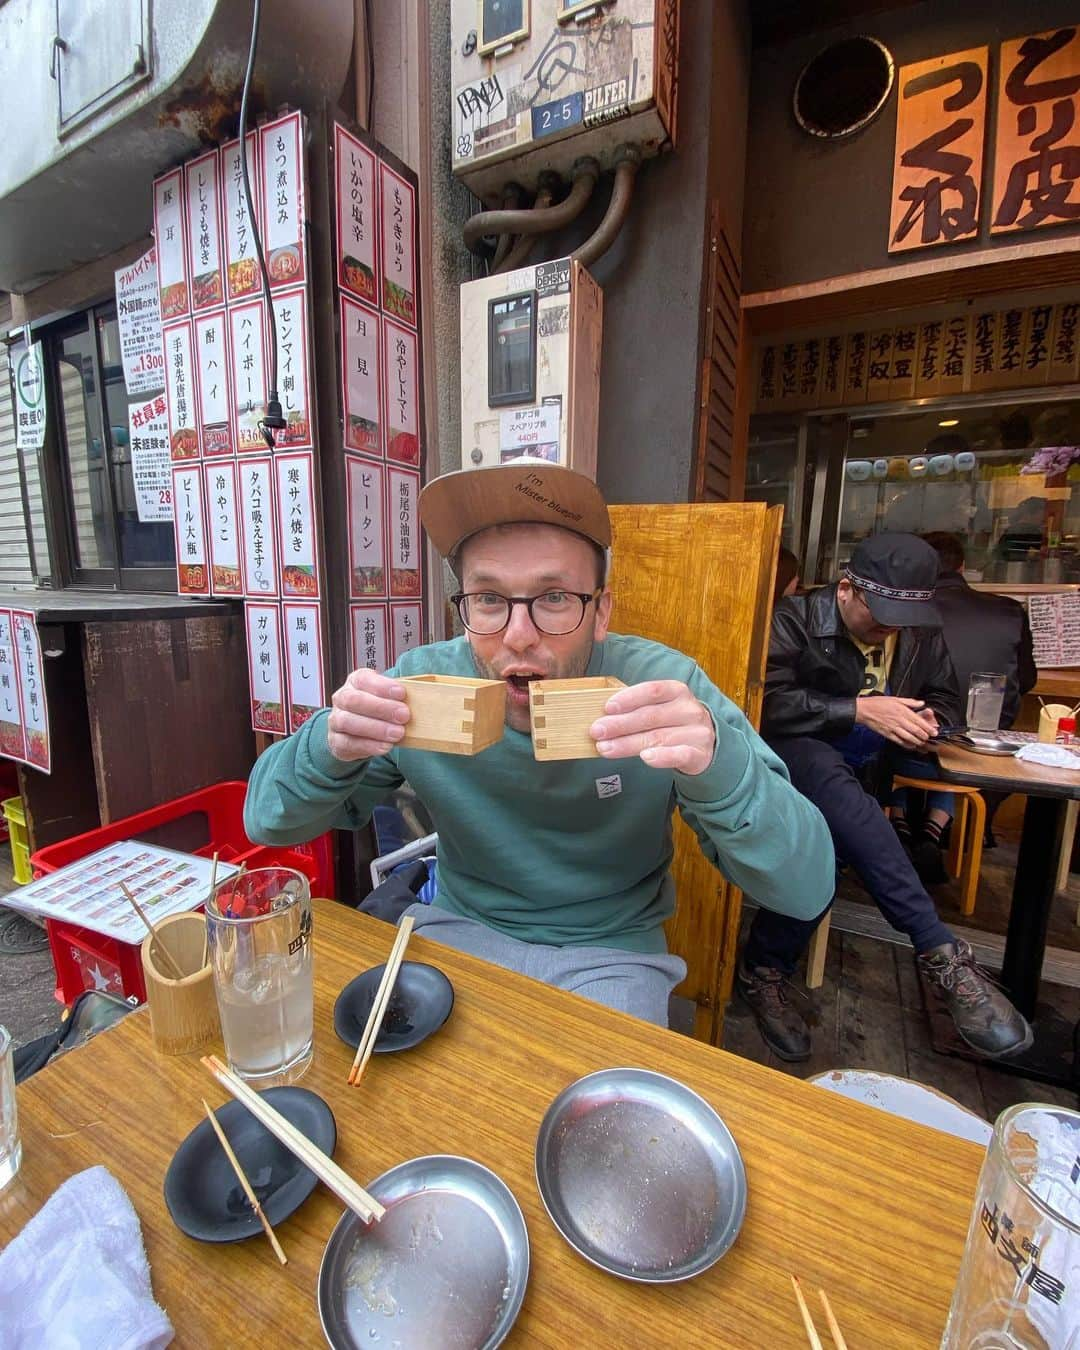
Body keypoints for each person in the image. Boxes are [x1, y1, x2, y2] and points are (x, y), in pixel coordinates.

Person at [245, 459, 836, 1027]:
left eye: (554, 598)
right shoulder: (421, 687)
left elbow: (805, 888)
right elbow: (265, 822)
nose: (519, 637)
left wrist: (719, 764)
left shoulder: (664, 689)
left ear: (601, 612)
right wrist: (329, 744)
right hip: (457, 927)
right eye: (490, 599)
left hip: (612, 953)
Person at [737, 532, 1032, 1063]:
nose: (890, 629)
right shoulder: (794, 618)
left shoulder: (916, 633)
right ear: (846, 590)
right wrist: (858, 709)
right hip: (791, 762)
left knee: (831, 847)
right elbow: (761, 703)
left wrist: (929, 719)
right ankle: (938, 949)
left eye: (901, 618)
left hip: (866, 776)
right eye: (880, 616)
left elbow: (946, 699)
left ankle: (763, 969)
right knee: (830, 782)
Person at [922, 532, 1036, 729]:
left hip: (920, 730)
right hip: (992, 734)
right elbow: (1026, 680)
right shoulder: (1010, 610)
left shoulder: (908, 610)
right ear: (962, 566)